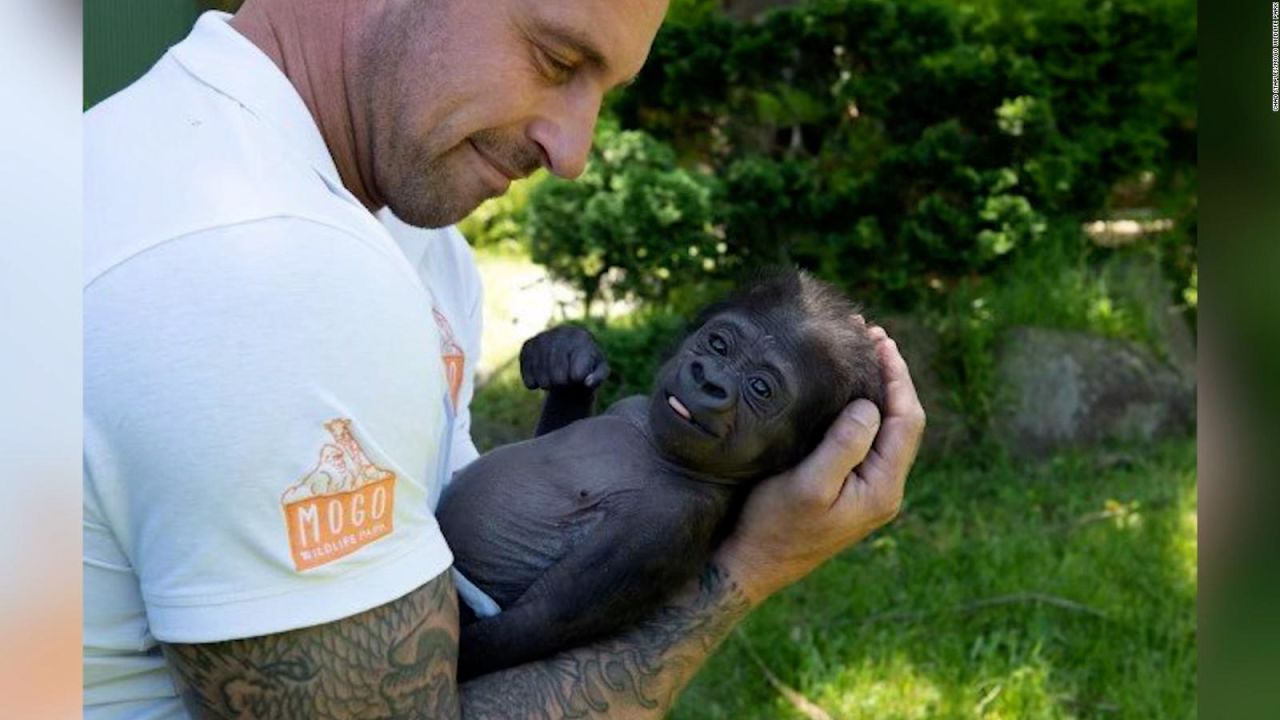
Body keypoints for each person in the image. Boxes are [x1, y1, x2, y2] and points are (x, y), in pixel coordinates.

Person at [82, 1, 926, 718]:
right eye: (556, 57)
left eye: (603, 92)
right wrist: (756, 566)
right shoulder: (271, 266)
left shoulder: (408, 240)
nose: (574, 152)